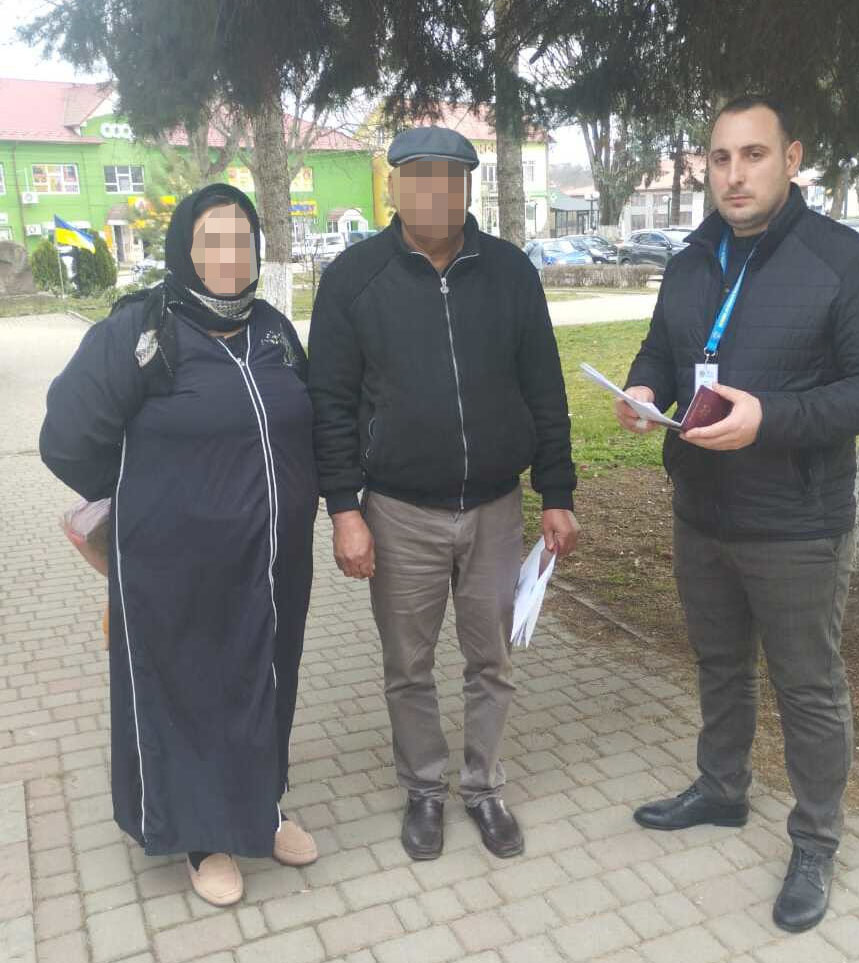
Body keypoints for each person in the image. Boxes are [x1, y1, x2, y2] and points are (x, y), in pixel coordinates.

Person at [616, 96, 859, 932]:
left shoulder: (846, 262)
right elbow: (662, 347)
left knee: (807, 686)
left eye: (752, 155)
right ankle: (721, 789)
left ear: (791, 158)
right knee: (718, 663)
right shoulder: (690, 258)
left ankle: (815, 839)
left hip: (796, 521)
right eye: (719, 158)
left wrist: (770, 416)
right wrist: (643, 387)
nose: (734, 174)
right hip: (701, 508)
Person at [39, 184, 320, 906]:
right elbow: (66, 437)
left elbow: (305, 418)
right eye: (213, 241)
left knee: (266, 680)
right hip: (175, 566)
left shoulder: (273, 330)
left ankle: (262, 808)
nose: (230, 256)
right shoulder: (144, 329)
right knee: (193, 689)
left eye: (241, 241)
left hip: (273, 562)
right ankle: (202, 836)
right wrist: (142, 503)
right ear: (185, 250)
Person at [309, 126, 579, 861]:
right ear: (394, 185)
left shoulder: (510, 272)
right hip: (398, 511)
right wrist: (344, 510)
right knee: (409, 665)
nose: (436, 191)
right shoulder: (353, 279)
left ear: (467, 186)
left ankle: (484, 786)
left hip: (495, 507)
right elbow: (329, 406)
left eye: (451, 177)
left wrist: (556, 491)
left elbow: (545, 388)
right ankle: (424, 789)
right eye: (419, 176)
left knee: (491, 660)